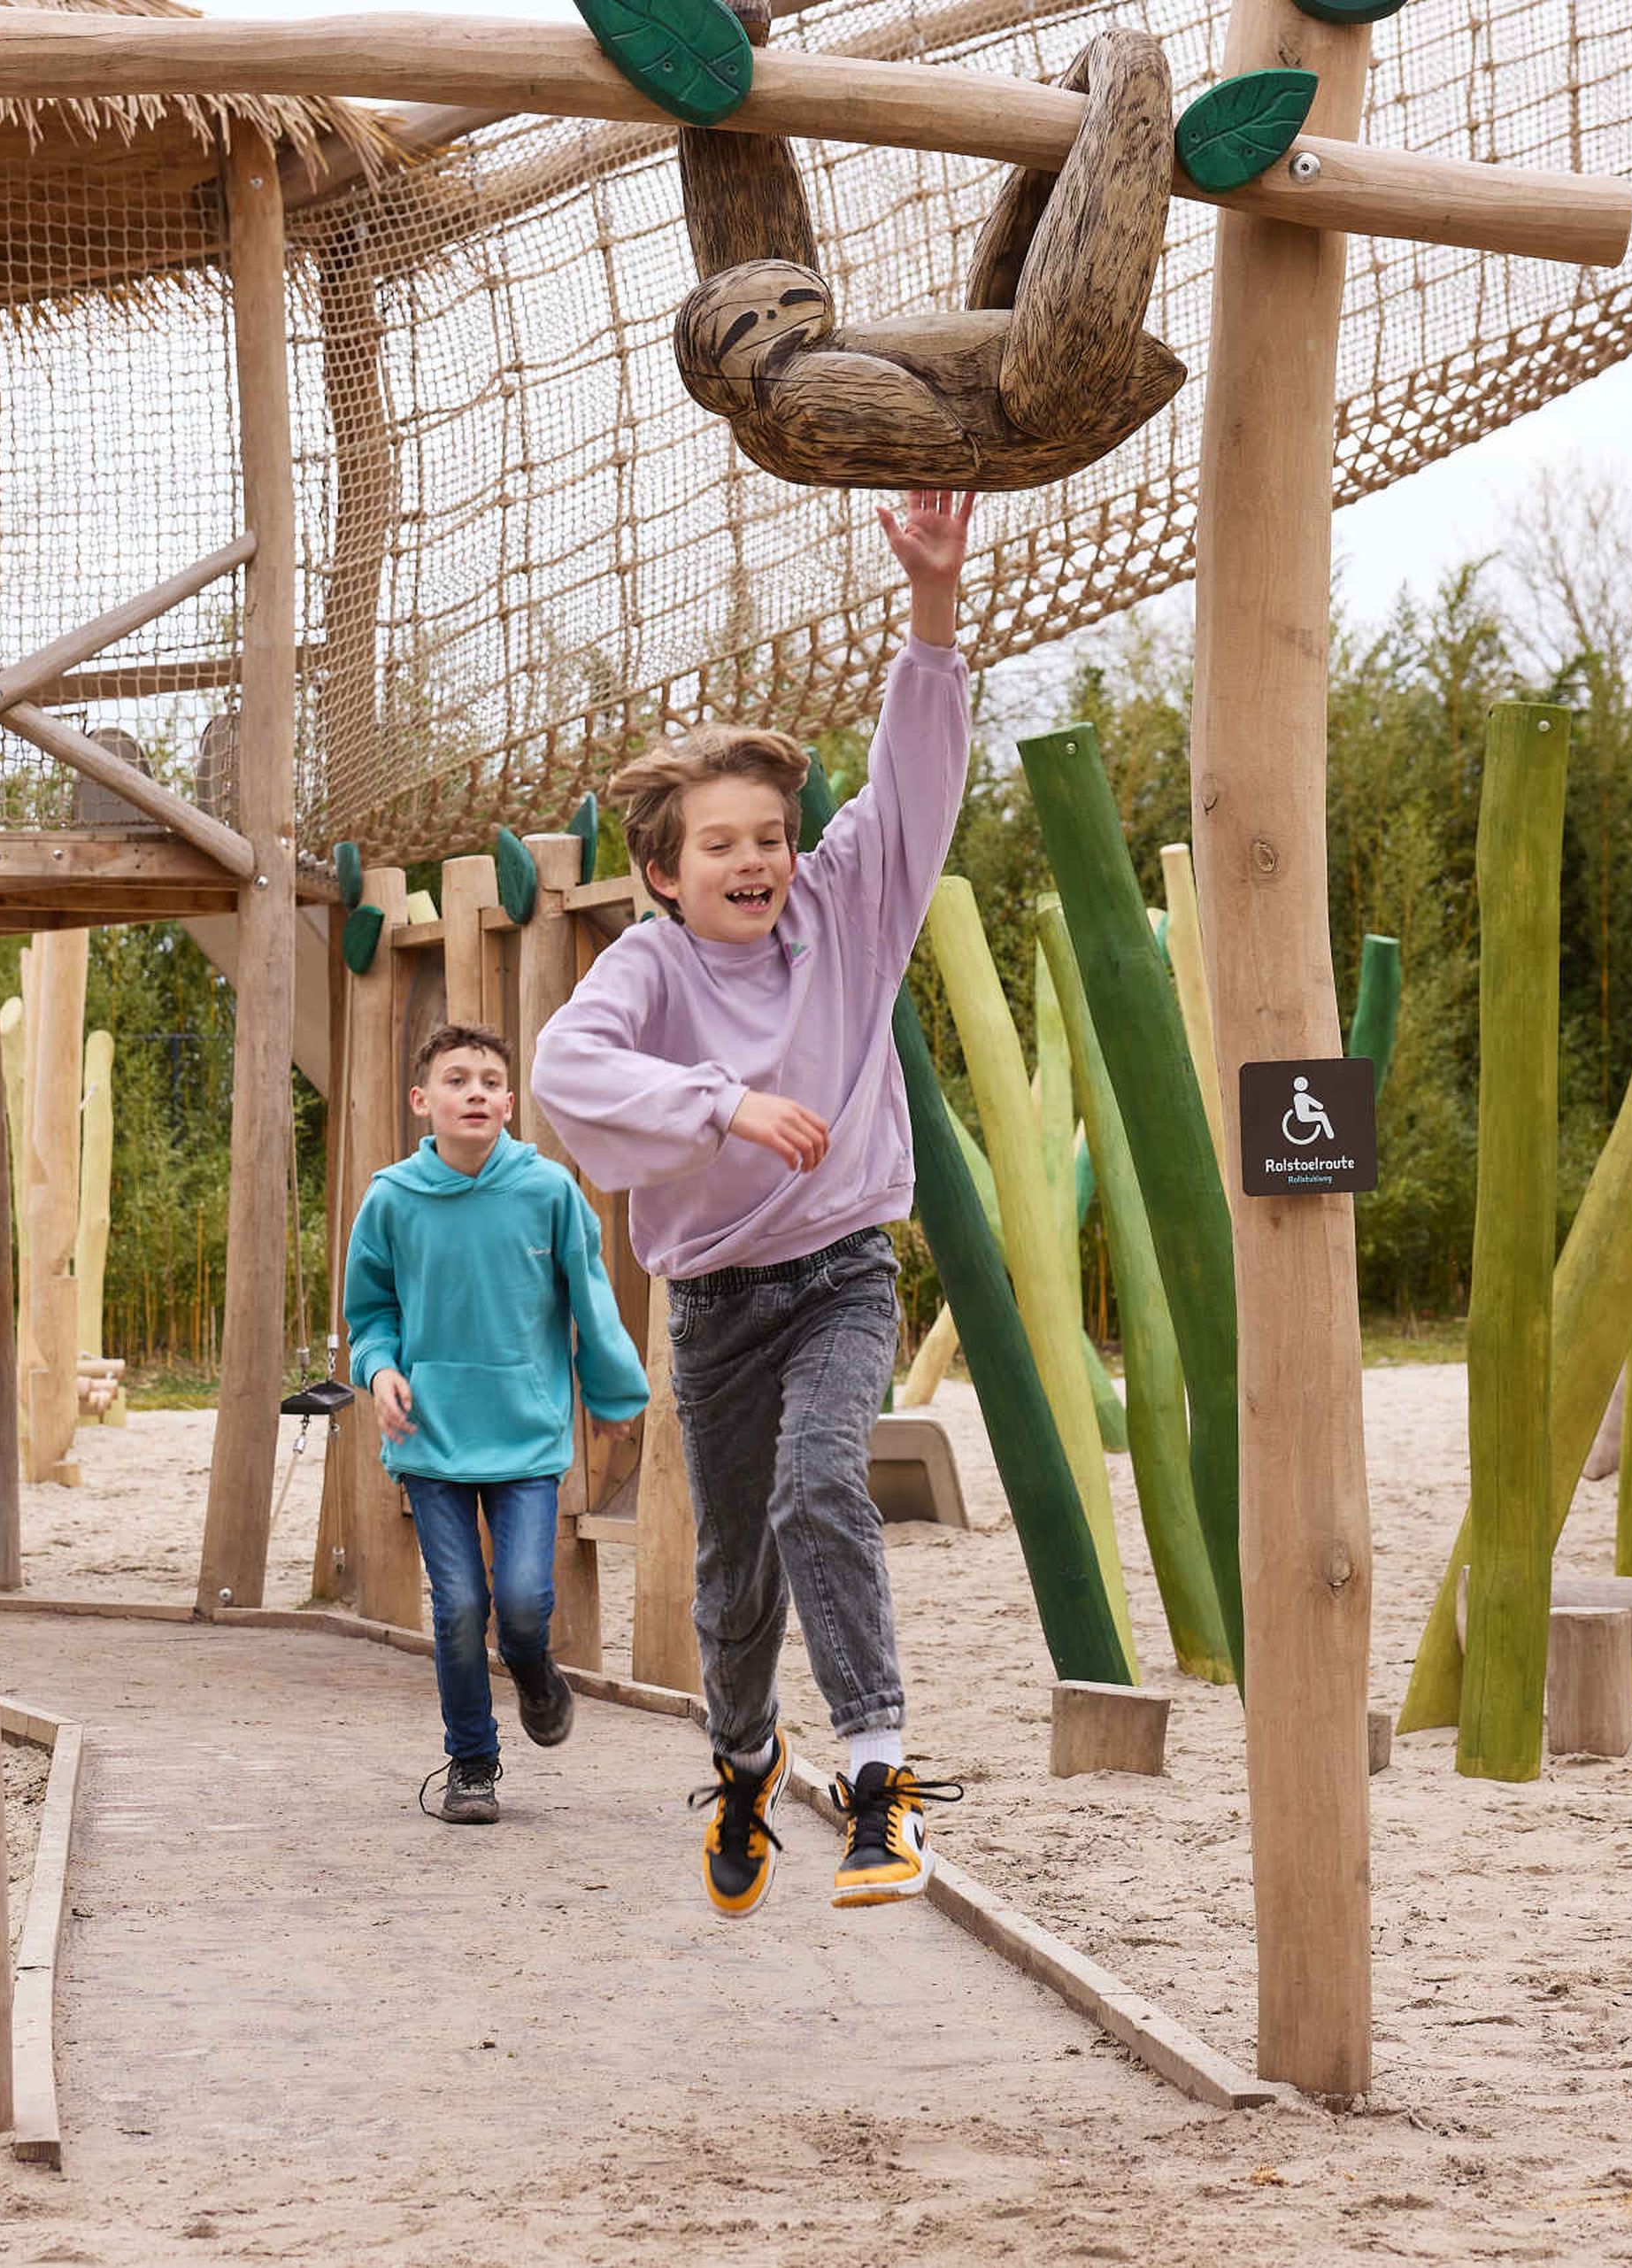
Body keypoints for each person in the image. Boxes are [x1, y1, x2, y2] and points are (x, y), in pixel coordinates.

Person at [531, 489, 975, 1914]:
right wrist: (721, 1104)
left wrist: (931, 606)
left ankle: (880, 1777)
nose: (754, 864)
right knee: (730, 1573)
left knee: (816, 1485)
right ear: (665, 873)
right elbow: (566, 1072)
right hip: (716, 1304)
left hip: (840, 1271)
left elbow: (915, 781)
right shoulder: (650, 970)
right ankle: (743, 1761)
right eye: (720, 845)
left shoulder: (849, 912)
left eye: (772, 837)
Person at [343, 1022, 651, 1826]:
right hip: (430, 1437)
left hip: (527, 1436)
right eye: (456, 1080)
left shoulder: (549, 1192)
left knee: (519, 1601)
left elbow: (591, 1297)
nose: (474, 1092)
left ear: (510, 1104)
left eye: (488, 1081)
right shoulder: (391, 1199)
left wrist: (613, 1393)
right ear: (422, 1101)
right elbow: (369, 1315)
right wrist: (379, 1372)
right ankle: (473, 1762)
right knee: (456, 1609)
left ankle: (533, 1667)